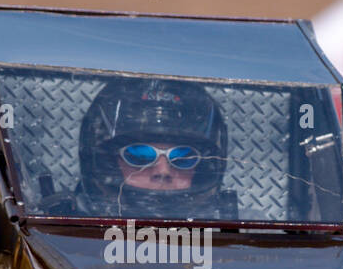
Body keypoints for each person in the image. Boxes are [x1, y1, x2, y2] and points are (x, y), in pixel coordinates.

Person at [74, 77, 232, 219]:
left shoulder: (232, 238)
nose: (163, 171)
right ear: (109, 163)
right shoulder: (58, 233)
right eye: (140, 156)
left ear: (202, 170)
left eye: (183, 158)